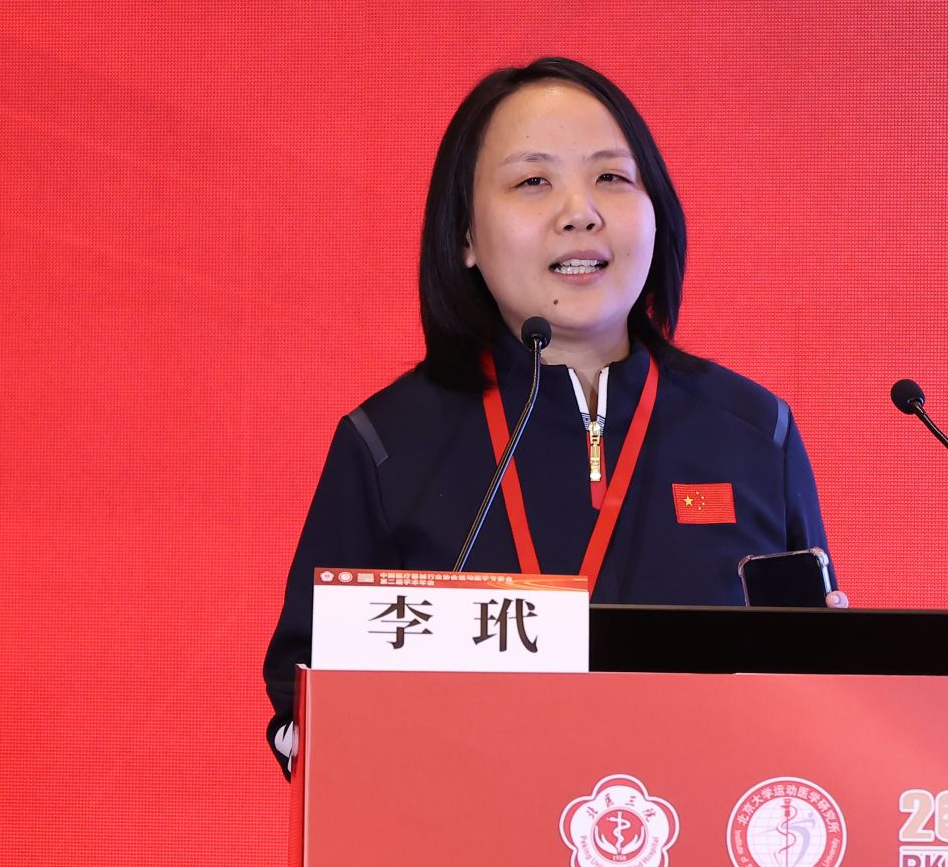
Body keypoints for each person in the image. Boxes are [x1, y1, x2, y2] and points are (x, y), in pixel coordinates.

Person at [262, 57, 838, 772]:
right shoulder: (388, 443)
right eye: (533, 181)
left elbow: (815, 692)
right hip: (473, 834)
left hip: (699, 828)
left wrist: (839, 672)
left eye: (612, 177)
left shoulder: (752, 432)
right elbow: (305, 700)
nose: (579, 211)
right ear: (465, 235)